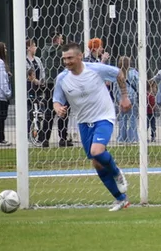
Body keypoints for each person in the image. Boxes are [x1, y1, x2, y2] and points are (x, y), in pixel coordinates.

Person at [52, 42, 131, 211]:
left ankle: (117, 173)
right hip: (83, 122)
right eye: (64, 59)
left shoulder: (95, 69)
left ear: (80, 56)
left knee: (97, 151)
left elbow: (119, 73)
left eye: (70, 58)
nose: (66, 62)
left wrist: (124, 97)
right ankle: (121, 199)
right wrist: (59, 109)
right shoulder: (62, 79)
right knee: (96, 163)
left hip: (103, 116)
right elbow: (56, 100)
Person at [115, 56, 139, 144]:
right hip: (132, 97)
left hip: (121, 98)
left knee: (122, 118)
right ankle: (133, 138)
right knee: (132, 118)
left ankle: (121, 138)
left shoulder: (117, 73)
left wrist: (117, 99)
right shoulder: (133, 73)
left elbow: (115, 88)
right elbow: (138, 84)